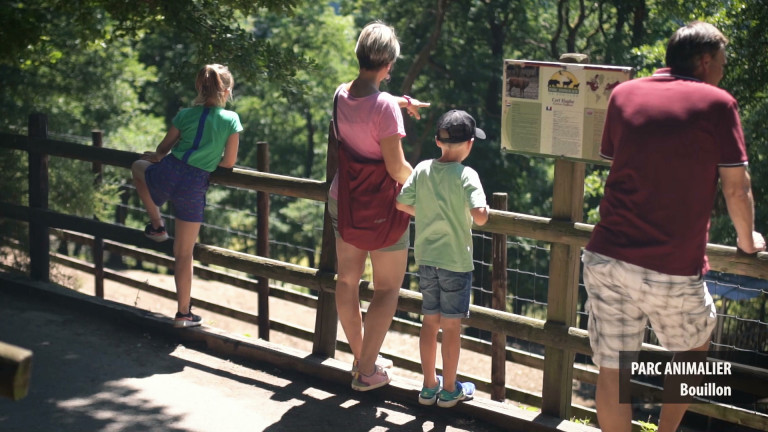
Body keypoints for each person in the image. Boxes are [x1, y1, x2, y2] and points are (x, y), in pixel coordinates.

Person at [582, 21, 765, 432]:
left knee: (612, 370)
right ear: (703, 61)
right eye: (721, 61)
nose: (723, 70)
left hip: (606, 255)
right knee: (695, 350)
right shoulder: (718, 104)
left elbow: (623, 162)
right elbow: (737, 189)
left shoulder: (625, 93)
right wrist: (747, 242)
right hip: (671, 264)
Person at [329, 21, 430, 391]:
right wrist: (428, 184)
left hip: (345, 200)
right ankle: (367, 372)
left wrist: (401, 103)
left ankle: (362, 359)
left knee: (347, 281)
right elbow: (396, 168)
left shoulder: (340, 94)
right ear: (388, 62)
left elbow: (363, 104)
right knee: (387, 289)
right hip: (381, 208)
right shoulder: (386, 107)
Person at [131, 64, 243, 328]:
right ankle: (183, 314)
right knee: (184, 253)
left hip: (170, 172)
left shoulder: (185, 115)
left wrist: (158, 157)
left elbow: (161, 148)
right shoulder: (231, 120)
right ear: (226, 91)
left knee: (137, 167)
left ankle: (157, 225)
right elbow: (229, 163)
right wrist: (208, 160)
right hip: (195, 185)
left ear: (200, 88)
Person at [396, 110, 489, 407]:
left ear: (438, 141)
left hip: (426, 259)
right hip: (456, 263)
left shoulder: (423, 169)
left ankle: (428, 387)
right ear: (470, 144)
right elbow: (480, 217)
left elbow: (401, 203)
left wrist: (425, 212)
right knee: (451, 327)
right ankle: (450, 389)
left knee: (429, 322)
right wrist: (480, 211)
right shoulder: (467, 175)